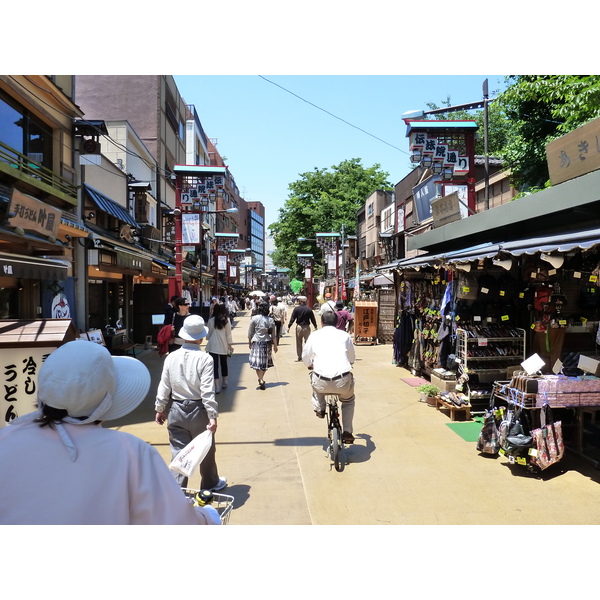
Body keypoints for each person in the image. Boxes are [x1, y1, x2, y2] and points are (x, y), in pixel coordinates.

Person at [0, 339, 213, 525]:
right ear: (106, 401)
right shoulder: (131, 453)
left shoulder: (6, 440)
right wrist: (208, 517)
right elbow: (176, 524)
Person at [155, 315, 227, 492]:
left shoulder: (171, 357)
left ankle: (178, 491)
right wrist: (212, 415)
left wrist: (160, 407)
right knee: (205, 449)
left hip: (176, 409)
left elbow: (164, 385)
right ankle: (210, 483)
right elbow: (207, 390)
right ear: (201, 337)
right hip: (198, 410)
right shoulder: (205, 359)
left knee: (179, 452)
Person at [302, 310, 356, 444]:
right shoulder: (344, 335)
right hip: (342, 381)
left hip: (321, 380)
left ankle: (320, 407)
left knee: (315, 383)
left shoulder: (315, 335)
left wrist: (309, 364)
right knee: (348, 400)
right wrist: (350, 362)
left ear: (321, 322)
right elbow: (352, 357)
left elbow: (305, 356)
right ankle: (347, 431)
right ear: (337, 322)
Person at [248, 300, 278, 390]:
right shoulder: (271, 320)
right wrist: (275, 345)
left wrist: (249, 343)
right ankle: (261, 379)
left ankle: (260, 379)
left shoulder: (254, 318)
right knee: (265, 363)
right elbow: (273, 335)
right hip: (267, 342)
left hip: (256, 342)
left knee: (257, 363)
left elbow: (250, 333)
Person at [206, 302, 234, 393]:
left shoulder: (211, 320)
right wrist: (230, 345)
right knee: (224, 364)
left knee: (214, 366)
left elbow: (209, 333)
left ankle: (217, 386)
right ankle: (224, 381)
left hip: (213, 345)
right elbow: (228, 334)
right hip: (223, 345)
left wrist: (208, 338)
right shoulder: (226, 320)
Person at [287, 295, 317, 361]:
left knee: (299, 342)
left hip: (299, 327)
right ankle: (307, 357)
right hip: (307, 328)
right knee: (308, 342)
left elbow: (293, 318)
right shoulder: (309, 309)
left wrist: (289, 326)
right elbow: (313, 319)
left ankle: (299, 357)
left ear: (300, 301)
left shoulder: (296, 309)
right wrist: (315, 326)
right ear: (305, 301)